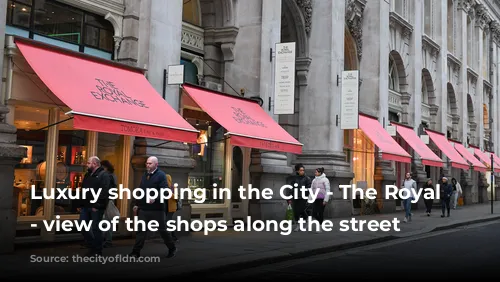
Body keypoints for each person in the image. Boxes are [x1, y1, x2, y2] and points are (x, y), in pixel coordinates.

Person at [129, 156, 177, 258]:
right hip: (144, 208)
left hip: (157, 209)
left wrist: (155, 197)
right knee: (141, 231)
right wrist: (137, 204)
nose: (147, 165)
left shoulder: (161, 175)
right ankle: (136, 252)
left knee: (163, 231)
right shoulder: (145, 175)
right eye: (147, 163)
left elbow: (164, 190)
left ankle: (172, 248)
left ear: (156, 164)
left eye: (150, 163)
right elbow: (141, 190)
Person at [79, 156, 111, 257]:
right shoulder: (88, 174)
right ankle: (93, 246)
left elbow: (104, 191)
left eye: (89, 163)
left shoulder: (103, 175)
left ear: (95, 164)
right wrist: (80, 203)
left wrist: (97, 205)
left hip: (96, 206)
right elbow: (83, 189)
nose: (87, 165)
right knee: (82, 225)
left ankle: (97, 250)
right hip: (86, 205)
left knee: (95, 228)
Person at [287, 163, 312, 232]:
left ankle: (305, 221)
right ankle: (299, 224)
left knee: (300, 210)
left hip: (303, 197)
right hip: (295, 197)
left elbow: (309, 188)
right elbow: (291, 188)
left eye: (303, 170)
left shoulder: (307, 178)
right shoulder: (294, 179)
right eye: (301, 170)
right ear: (297, 171)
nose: (302, 171)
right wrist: (289, 197)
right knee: (296, 212)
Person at [101, 160, 117, 248]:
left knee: (107, 220)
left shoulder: (109, 176)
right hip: (109, 199)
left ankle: (107, 240)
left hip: (107, 200)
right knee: (107, 220)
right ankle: (106, 239)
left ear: (105, 167)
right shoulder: (112, 175)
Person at [309, 167, 330, 233]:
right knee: (314, 213)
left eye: (316, 172)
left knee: (320, 213)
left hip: (322, 199)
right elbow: (311, 190)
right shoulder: (314, 180)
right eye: (315, 172)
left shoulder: (325, 180)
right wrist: (309, 199)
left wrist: (326, 200)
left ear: (320, 173)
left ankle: (320, 227)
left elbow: (328, 190)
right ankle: (320, 222)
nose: (315, 173)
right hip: (315, 199)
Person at [165, 174, 179, 242]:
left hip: (171, 208)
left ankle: (172, 237)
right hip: (164, 207)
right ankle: (173, 237)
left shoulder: (173, 188)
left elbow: (176, 197)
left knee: (168, 222)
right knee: (168, 222)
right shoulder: (163, 187)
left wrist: (170, 193)